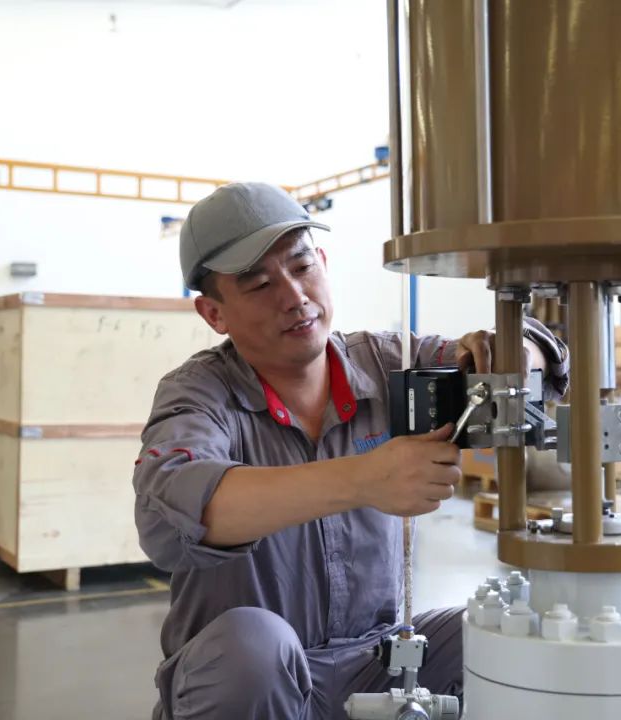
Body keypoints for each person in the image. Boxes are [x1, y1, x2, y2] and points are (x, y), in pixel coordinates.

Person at [133, 182, 569, 720]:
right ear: (213, 314)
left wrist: (516, 349)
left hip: (376, 663)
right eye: (260, 284)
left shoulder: (388, 363)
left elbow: (520, 364)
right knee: (255, 647)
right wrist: (364, 479)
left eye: (301, 266)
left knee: (500, 634)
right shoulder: (199, 394)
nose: (294, 296)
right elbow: (174, 510)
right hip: (255, 684)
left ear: (323, 262)